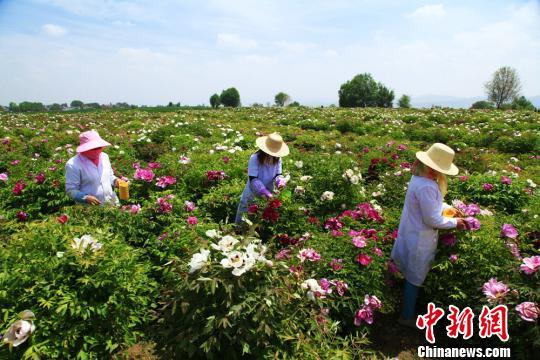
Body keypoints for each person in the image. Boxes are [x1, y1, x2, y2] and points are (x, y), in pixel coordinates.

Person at [390, 143, 467, 327]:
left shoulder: (419, 179)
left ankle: (397, 303)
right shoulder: (428, 186)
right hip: (420, 239)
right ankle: (407, 317)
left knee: (408, 271)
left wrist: (448, 208)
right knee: (414, 278)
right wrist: (455, 222)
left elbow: (431, 205)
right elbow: (432, 219)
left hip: (412, 232)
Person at [235, 132, 289, 225]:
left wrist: (280, 181)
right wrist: (265, 192)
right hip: (252, 192)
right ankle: (238, 230)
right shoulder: (255, 158)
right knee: (245, 214)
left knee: (260, 218)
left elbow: (278, 174)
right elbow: (253, 179)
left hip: (269, 191)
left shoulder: (278, 159)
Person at [65, 130, 120, 206]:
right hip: (90, 210)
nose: (97, 151)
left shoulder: (104, 157)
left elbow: (109, 176)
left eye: (99, 147)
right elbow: (70, 190)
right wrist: (86, 198)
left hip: (111, 203)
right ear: (84, 149)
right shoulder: (73, 164)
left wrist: (115, 181)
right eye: (93, 148)